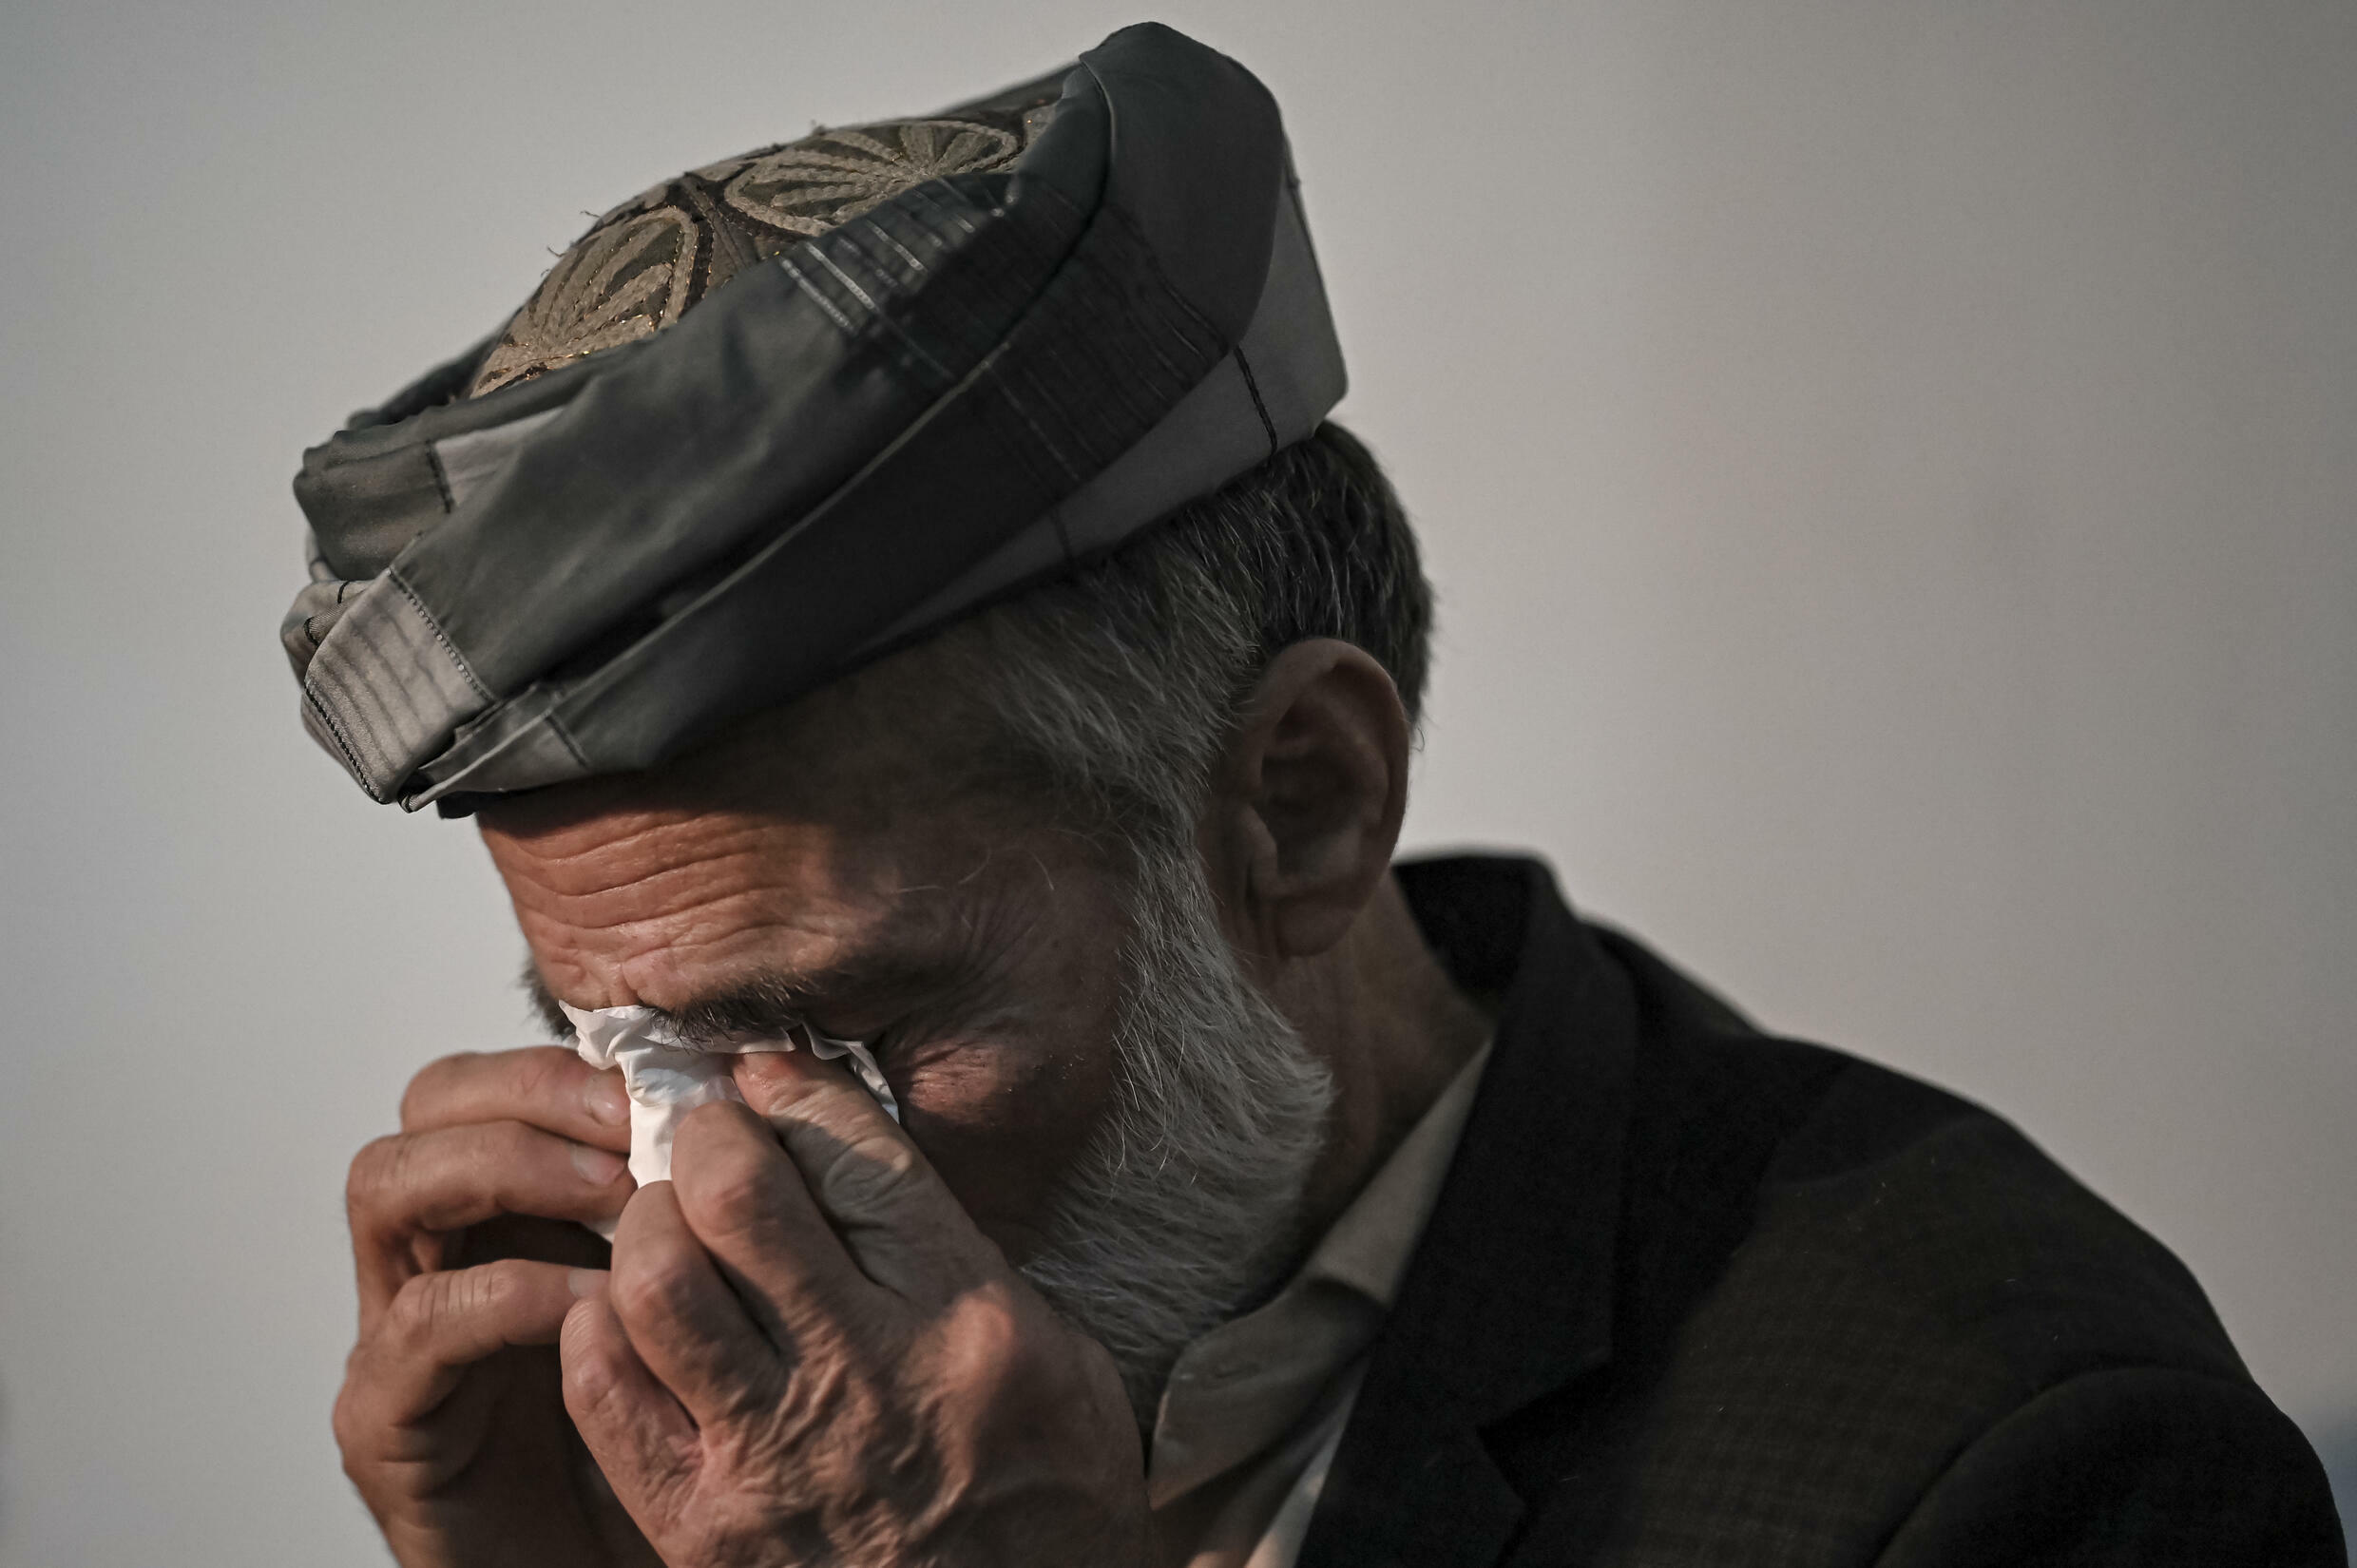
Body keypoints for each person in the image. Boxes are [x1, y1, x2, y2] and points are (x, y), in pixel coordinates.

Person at [291, 23, 2343, 1568]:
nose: (701, 1201)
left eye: (841, 1036)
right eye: (627, 1044)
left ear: (1300, 804)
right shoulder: (644, 1436)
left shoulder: (2015, 1459)